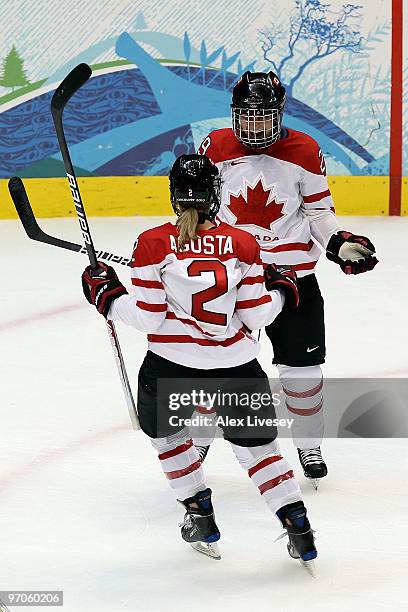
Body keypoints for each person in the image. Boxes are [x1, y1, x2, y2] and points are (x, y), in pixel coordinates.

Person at [81, 154, 317, 569]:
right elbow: (258, 315)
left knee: (168, 438)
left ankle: (200, 516)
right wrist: (282, 288)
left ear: (174, 196)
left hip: (170, 367)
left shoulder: (152, 243)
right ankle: (298, 525)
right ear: (216, 195)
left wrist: (108, 296)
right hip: (237, 368)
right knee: (261, 452)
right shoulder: (244, 243)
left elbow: (147, 317)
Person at [197, 71, 378, 488]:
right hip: (236, 276)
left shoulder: (304, 149)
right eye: (247, 117)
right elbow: (202, 214)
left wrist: (338, 243)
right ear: (234, 114)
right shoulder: (215, 146)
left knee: (303, 369)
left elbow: (317, 213)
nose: (254, 126)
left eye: (264, 118)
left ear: (280, 115)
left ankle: (308, 444)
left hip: (293, 279)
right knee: (212, 363)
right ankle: (199, 435)